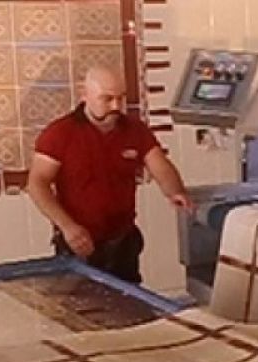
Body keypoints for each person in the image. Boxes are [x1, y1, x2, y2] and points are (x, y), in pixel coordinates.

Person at [26, 65, 192, 283]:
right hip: (79, 243)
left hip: (123, 243)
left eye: (120, 98)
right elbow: (37, 184)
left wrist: (175, 192)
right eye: (107, 99)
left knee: (129, 301)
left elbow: (160, 165)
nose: (116, 106)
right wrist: (67, 226)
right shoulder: (60, 134)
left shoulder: (134, 130)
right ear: (85, 95)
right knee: (81, 303)